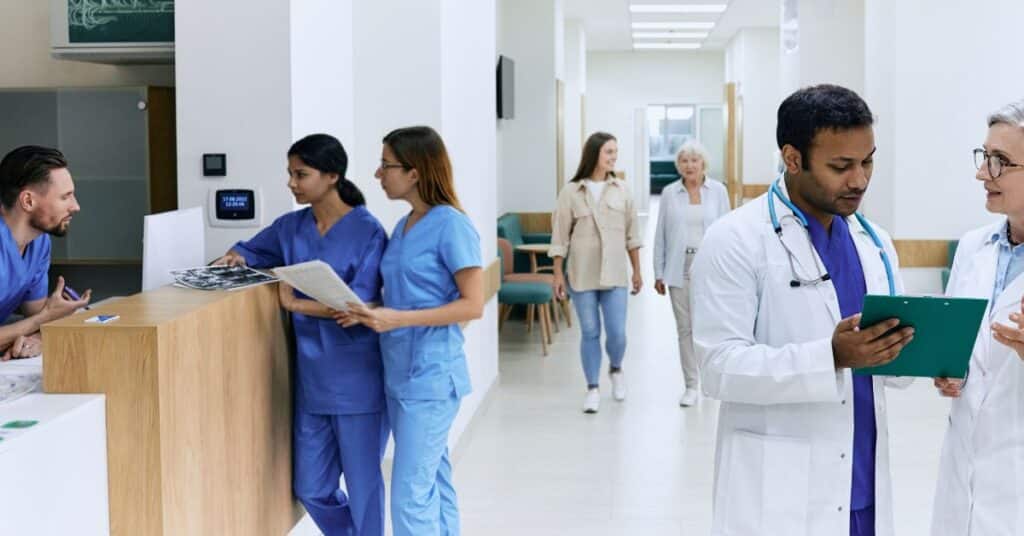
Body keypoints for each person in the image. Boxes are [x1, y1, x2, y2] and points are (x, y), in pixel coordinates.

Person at [690, 84, 915, 536]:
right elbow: (717, 366)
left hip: (861, 479)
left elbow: (893, 368)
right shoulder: (735, 239)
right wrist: (830, 356)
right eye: (841, 166)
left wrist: (925, 352)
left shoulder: (873, 243)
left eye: (867, 161)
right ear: (792, 159)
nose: (860, 180)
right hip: (781, 489)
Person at [214, 134, 389, 536]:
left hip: (358, 380)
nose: (292, 183)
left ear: (332, 176)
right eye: (290, 173)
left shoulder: (368, 231)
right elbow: (250, 251)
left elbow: (358, 307)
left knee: (364, 489)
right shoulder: (291, 227)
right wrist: (236, 256)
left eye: (301, 174)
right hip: (311, 382)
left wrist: (295, 305)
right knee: (311, 487)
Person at [336, 126, 483, 536]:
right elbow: (407, 297)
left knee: (409, 495)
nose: (378, 174)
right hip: (398, 372)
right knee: (433, 479)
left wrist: (395, 319)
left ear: (415, 172)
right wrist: (371, 311)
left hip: (432, 378)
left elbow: (472, 304)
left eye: (386, 165)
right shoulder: (403, 226)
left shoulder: (451, 225)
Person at [931, 98, 1024, 535]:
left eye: (1001, 162)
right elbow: (967, 351)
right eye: (985, 157)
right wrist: (950, 371)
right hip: (963, 470)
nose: (982, 173)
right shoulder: (973, 248)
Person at [549, 131, 643, 414]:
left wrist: (637, 271)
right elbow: (559, 238)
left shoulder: (623, 190)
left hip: (615, 274)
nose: (614, 157)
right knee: (590, 332)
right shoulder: (571, 192)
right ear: (594, 154)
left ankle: (615, 368)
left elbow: (632, 235)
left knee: (617, 333)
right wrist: (557, 274)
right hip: (582, 274)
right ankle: (592, 387)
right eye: (608, 152)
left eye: (615, 152)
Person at [652, 140, 730, 407]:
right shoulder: (669, 193)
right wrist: (658, 272)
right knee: (684, 330)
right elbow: (660, 234)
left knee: (708, 329)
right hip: (679, 270)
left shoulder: (718, 191)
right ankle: (691, 386)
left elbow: (728, 234)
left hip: (710, 271)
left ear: (703, 163)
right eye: (684, 160)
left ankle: (710, 382)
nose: (689, 165)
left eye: (694, 160)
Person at [0, 145, 90, 361]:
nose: (75, 206)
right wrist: (42, 320)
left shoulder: (39, 242)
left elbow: (37, 312)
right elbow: (39, 318)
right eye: (65, 197)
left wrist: (37, 336)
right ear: (28, 201)